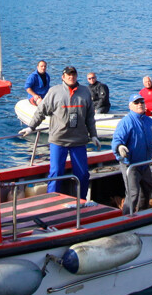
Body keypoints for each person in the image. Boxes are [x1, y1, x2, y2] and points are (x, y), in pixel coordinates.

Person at [20, 66, 98, 199]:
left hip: (78, 141)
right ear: (63, 77)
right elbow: (41, 111)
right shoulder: (54, 91)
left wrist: (94, 135)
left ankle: (82, 201)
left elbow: (90, 117)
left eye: (73, 74)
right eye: (68, 75)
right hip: (58, 140)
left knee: (83, 174)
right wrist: (31, 127)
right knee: (55, 173)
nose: (71, 77)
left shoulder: (85, 92)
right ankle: (51, 201)